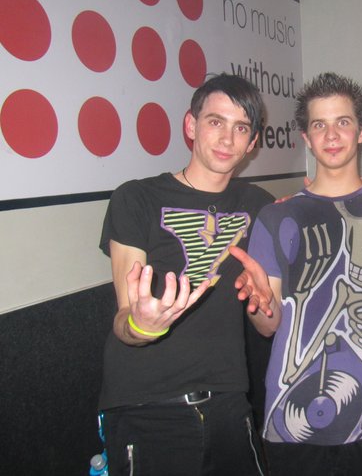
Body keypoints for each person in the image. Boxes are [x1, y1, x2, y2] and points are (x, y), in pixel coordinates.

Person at [228, 72, 362, 476]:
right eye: (319, 125)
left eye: (343, 122)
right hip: (294, 419)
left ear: (361, 132)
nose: (332, 135)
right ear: (306, 137)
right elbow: (268, 326)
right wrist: (260, 304)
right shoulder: (276, 217)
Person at [98, 73, 273, 476]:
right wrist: (143, 326)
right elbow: (124, 321)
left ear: (252, 143)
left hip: (229, 404)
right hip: (146, 407)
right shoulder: (137, 198)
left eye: (241, 128)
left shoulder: (260, 206)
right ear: (191, 126)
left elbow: (266, 325)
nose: (227, 138)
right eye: (215, 121)